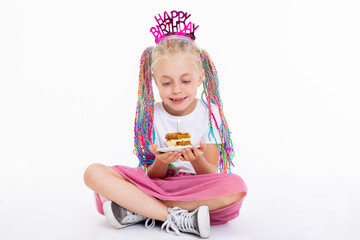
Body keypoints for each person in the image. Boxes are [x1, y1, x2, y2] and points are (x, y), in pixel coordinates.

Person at [83, 10, 247, 238]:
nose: (177, 89)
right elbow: (152, 176)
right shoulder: (151, 114)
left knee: (236, 187)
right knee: (93, 173)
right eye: (167, 82)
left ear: (201, 77)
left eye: (186, 81)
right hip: (157, 186)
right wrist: (161, 161)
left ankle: (139, 208)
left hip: (195, 189)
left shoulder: (211, 114)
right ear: (155, 82)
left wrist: (196, 159)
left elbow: (211, 172)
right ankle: (177, 218)